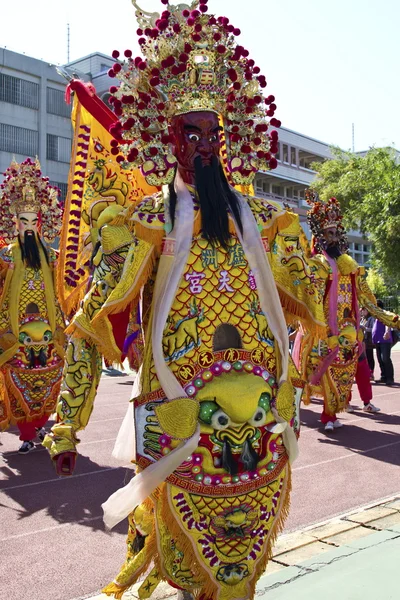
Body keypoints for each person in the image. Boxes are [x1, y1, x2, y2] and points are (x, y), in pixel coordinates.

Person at [44, 2, 328, 599]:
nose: (204, 148)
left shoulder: (267, 222)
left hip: (259, 424)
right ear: (168, 140)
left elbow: (301, 310)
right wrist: (68, 423)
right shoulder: (145, 223)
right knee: (172, 546)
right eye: (189, 134)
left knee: (243, 567)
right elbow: (91, 323)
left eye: (213, 135)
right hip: (180, 416)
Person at [295, 194, 399, 432]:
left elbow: (368, 302)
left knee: (345, 375)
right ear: (320, 238)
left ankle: (335, 411)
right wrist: (322, 331)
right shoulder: (319, 266)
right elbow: (312, 300)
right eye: (328, 234)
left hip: (350, 333)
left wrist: (392, 319)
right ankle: (326, 414)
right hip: (324, 332)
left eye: (335, 234)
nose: (333, 238)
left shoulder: (352, 269)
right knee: (322, 372)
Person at [0, 158, 65, 452]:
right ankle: (26, 432)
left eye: (33, 221)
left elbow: (62, 288)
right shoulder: (6, 254)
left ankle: (38, 426)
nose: (28, 227)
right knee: (18, 375)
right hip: (15, 329)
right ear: (15, 222)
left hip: (49, 329)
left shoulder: (50, 255)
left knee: (48, 374)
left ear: (41, 222)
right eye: (23, 221)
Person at [373, 300, 395, 385]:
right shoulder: (377, 315)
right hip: (377, 340)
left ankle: (390, 378)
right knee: (380, 359)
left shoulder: (384, 313)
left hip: (384, 340)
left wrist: (387, 331)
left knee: (385, 358)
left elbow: (388, 322)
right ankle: (384, 377)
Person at [360, 307, 375, 379]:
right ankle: (366, 373)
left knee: (369, 356)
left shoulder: (371, 318)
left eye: (364, 310)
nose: (362, 311)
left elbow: (374, 329)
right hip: (363, 340)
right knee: (364, 358)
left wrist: (365, 328)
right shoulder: (363, 319)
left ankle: (371, 373)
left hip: (368, 341)